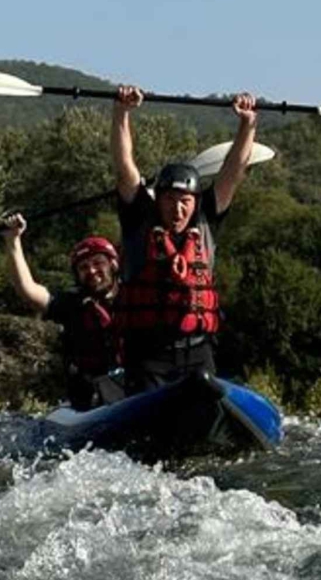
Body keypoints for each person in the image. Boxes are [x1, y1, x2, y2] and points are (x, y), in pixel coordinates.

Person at [110, 83, 257, 393]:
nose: (177, 209)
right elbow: (125, 168)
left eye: (185, 201)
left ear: (195, 202)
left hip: (198, 351)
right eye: (170, 200)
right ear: (157, 198)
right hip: (148, 354)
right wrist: (122, 113)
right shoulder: (140, 219)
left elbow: (233, 171)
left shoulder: (206, 219)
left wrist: (247, 124)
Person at [1, 213, 124, 411]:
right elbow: (28, 290)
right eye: (84, 267)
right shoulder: (72, 304)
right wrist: (13, 240)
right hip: (92, 396)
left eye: (98, 263)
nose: (91, 271)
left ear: (113, 264)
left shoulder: (137, 294)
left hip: (134, 382)